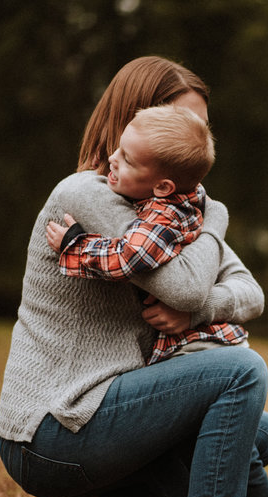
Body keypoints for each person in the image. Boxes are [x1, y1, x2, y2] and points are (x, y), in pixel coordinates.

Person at [0, 56, 268, 497]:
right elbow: (184, 286)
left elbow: (249, 293)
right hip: (53, 425)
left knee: (262, 433)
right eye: (181, 123)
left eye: (201, 129)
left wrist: (196, 311)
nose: (194, 142)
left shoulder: (166, 211)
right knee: (242, 371)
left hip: (101, 412)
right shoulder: (88, 194)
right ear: (135, 121)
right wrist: (215, 219)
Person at [45, 104, 249, 364]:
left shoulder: (163, 218)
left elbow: (127, 257)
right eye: (119, 148)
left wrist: (75, 245)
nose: (113, 158)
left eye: (127, 159)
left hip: (197, 346)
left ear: (163, 187)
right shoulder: (187, 195)